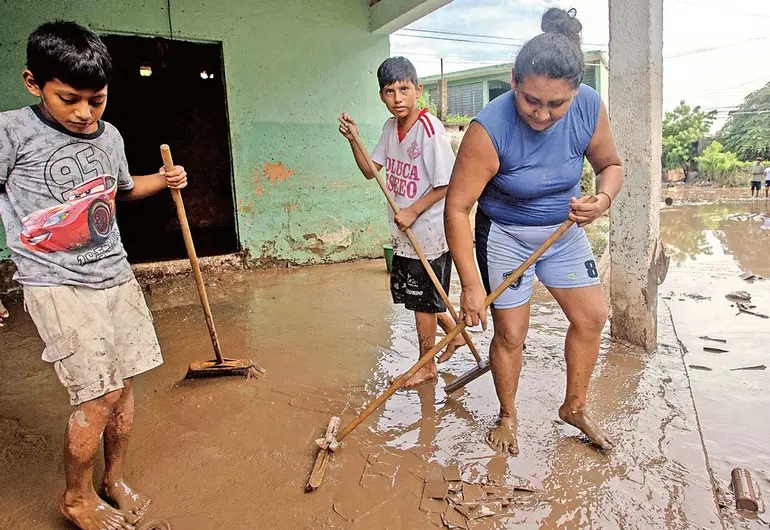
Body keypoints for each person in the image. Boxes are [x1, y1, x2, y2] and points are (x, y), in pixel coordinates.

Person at [0, 21, 187, 530]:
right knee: (98, 394)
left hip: (115, 275)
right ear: (33, 83)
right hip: (54, 281)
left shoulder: (110, 136)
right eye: (69, 99)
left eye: (96, 100)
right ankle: (76, 498)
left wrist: (163, 180)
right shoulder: (11, 131)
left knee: (123, 389)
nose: (84, 113)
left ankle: (114, 479)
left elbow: (119, 192)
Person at [445, 8, 623, 455]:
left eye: (555, 104)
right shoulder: (489, 129)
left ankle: (575, 406)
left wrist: (600, 201)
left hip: (563, 230)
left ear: (575, 92)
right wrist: (469, 284)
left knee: (592, 316)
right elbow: (458, 207)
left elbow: (610, 166)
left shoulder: (589, 106)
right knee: (510, 334)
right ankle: (507, 413)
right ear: (513, 82)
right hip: (504, 233)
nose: (542, 115)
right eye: (531, 101)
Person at [338, 57, 463, 388]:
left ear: (417, 90)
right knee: (415, 294)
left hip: (429, 232)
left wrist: (413, 210)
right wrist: (354, 139)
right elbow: (370, 171)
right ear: (382, 96)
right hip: (404, 233)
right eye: (390, 91)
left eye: (404, 89)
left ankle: (426, 365)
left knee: (422, 300)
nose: (397, 98)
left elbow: (448, 183)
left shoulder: (430, 131)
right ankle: (454, 333)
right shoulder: (389, 129)